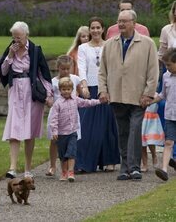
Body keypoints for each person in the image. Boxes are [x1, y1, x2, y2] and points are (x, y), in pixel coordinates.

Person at [98, 10, 159, 181]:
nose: (121, 24)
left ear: (134, 23)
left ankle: (134, 167)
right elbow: (102, 71)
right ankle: (124, 168)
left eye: (124, 21)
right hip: (117, 95)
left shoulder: (147, 43)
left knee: (135, 129)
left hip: (138, 96)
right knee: (123, 132)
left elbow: (154, 72)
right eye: (119, 21)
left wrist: (148, 93)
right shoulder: (109, 44)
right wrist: (103, 90)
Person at [0, 21, 52, 179]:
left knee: (29, 132)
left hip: (32, 93)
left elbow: (44, 74)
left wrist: (48, 95)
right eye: (14, 37)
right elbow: (3, 71)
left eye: (19, 37)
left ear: (26, 35)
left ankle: (28, 169)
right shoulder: (10, 49)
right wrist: (9, 56)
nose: (16, 41)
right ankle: (13, 168)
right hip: (15, 92)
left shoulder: (35, 50)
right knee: (14, 129)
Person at [76, 16, 120, 173]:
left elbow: (114, 66)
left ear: (103, 29)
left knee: (108, 126)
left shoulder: (109, 45)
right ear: (89, 30)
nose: (95, 30)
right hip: (89, 90)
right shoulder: (83, 48)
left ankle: (109, 160)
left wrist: (109, 87)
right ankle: (84, 162)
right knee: (85, 126)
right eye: (92, 28)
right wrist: (84, 85)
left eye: (98, 28)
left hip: (107, 89)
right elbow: (81, 67)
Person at [49, 77, 100, 182]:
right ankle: (64, 172)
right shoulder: (57, 104)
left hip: (72, 132)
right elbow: (53, 119)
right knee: (63, 156)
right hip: (61, 134)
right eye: (64, 89)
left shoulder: (75, 100)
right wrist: (54, 131)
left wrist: (98, 101)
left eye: (68, 89)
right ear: (60, 90)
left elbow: (86, 103)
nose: (66, 91)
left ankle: (71, 172)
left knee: (71, 153)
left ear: (72, 89)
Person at [46, 55, 82, 177]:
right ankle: (52, 165)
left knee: (72, 139)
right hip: (57, 114)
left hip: (70, 114)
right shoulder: (53, 82)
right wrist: (49, 100)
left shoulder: (75, 79)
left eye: (68, 69)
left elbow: (80, 91)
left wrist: (83, 93)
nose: (66, 71)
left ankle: (69, 167)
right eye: (63, 69)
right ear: (58, 68)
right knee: (54, 140)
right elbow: (50, 95)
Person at [151, 48, 176, 181]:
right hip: (170, 116)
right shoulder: (166, 76)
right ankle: (164, 169)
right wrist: (151, 101)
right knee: (168, 142)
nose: (167, 68)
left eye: (169, 65)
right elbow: (162, 95)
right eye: (166, 65)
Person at [157, 1, 176, 159]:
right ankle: (171, 151)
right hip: (169, 71)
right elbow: (161, 54)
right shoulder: (166, 30)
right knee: (165, 106)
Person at [141, 93, 165, 172]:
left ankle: (154, 155)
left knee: (151, 141)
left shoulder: (155, 94)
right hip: (141, 119)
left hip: (152, 120)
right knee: (142, 143)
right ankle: (145, 164)